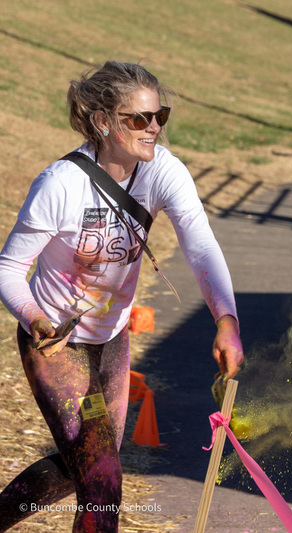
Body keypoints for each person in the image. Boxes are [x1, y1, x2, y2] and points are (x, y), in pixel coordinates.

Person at [0, 61, 244, 532]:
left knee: (85, 468)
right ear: (104, 122)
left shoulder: (163, 172)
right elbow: (9, 268)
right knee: (103, 479)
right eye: (139, 119)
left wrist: (226, 319)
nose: (153, 128)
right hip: (55, 344)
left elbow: (200, 243)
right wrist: (34, 317)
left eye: (159, 116)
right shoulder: (61, 184)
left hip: (110, 341)